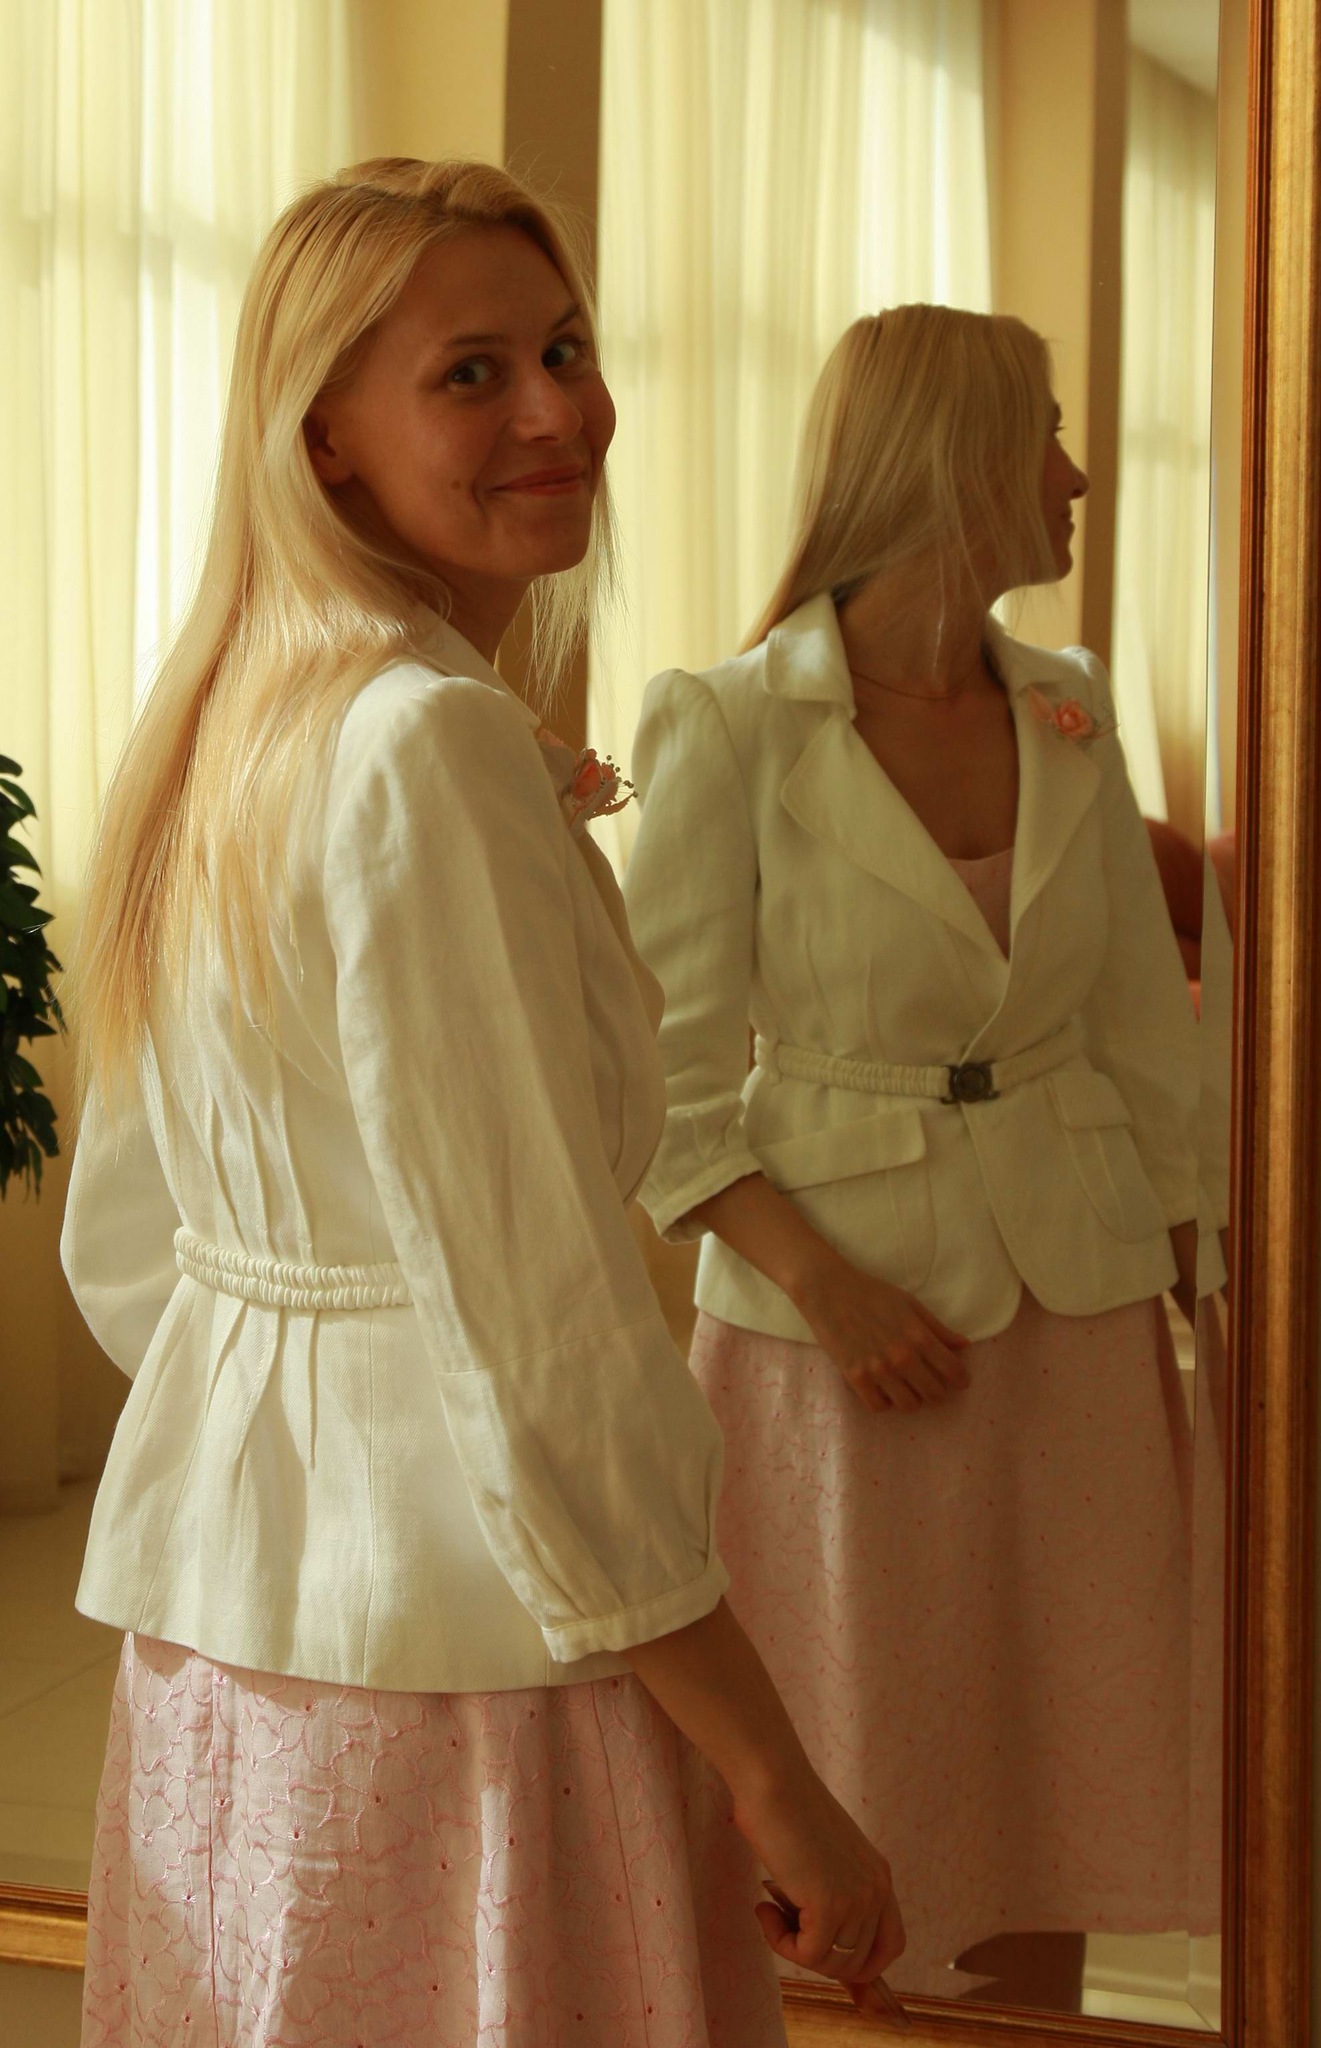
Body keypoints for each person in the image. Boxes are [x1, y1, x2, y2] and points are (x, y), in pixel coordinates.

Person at [60, 159, 904, 2048]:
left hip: (224, 1639)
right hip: (466, 1659)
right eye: (472, 372)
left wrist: (287, 1417)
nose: (557, 412)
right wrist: (768, 1767)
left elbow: (129, 1246)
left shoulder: (219, 717)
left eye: (567, 350)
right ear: (325, 437)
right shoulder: (423, 742)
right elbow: (540, 1325)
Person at [623, 304, 1203, 2009]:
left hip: (1079, 1310)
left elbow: (1136, 1029)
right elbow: (658, 1085)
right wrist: (826, 1284)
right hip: (839, 1345)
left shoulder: (1067, 706)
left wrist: (1202, 1275)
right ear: (953, 459)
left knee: (1065, 1753)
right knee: (856, 1758)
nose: (1075, 475)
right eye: (1046, 433)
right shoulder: (728, 723)